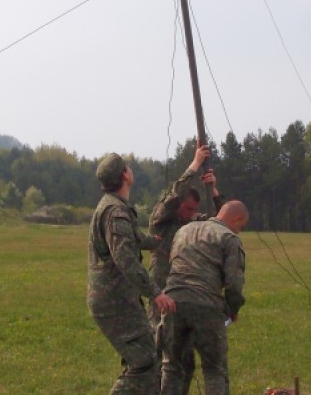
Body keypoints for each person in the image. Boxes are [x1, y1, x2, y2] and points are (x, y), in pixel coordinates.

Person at [87, 152, 176, 393]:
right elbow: (124, 257)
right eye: (127, 166)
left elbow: (134, 238)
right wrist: (155, 293)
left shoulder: (115, 207)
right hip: (115, 301)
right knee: (145, 362)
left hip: (118, 299)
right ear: (125, 175)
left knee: (144, 359)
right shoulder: (115, 212)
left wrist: (158, 242)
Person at [148, 143, 225, 392]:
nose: (192, 214)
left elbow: (222, 220)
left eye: (195, 210)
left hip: (186, 300)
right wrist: (194, 165)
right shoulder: (162, 221)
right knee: (163, 361)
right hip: (162, 296)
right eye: (188, 208)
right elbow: (174, 195)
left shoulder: (191, 223)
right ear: (177, 204)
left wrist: (213, 190)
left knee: (187, 362)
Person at [161, 200, 248, 395]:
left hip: (172, 302)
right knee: (214, 369)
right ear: (236, 219)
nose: (239, 231)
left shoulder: (184, 231)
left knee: (171, 367)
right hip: (206, 304)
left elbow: (171, 263)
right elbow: (234, 284)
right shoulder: (229, 238)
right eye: (241, 226)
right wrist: (232, 310)